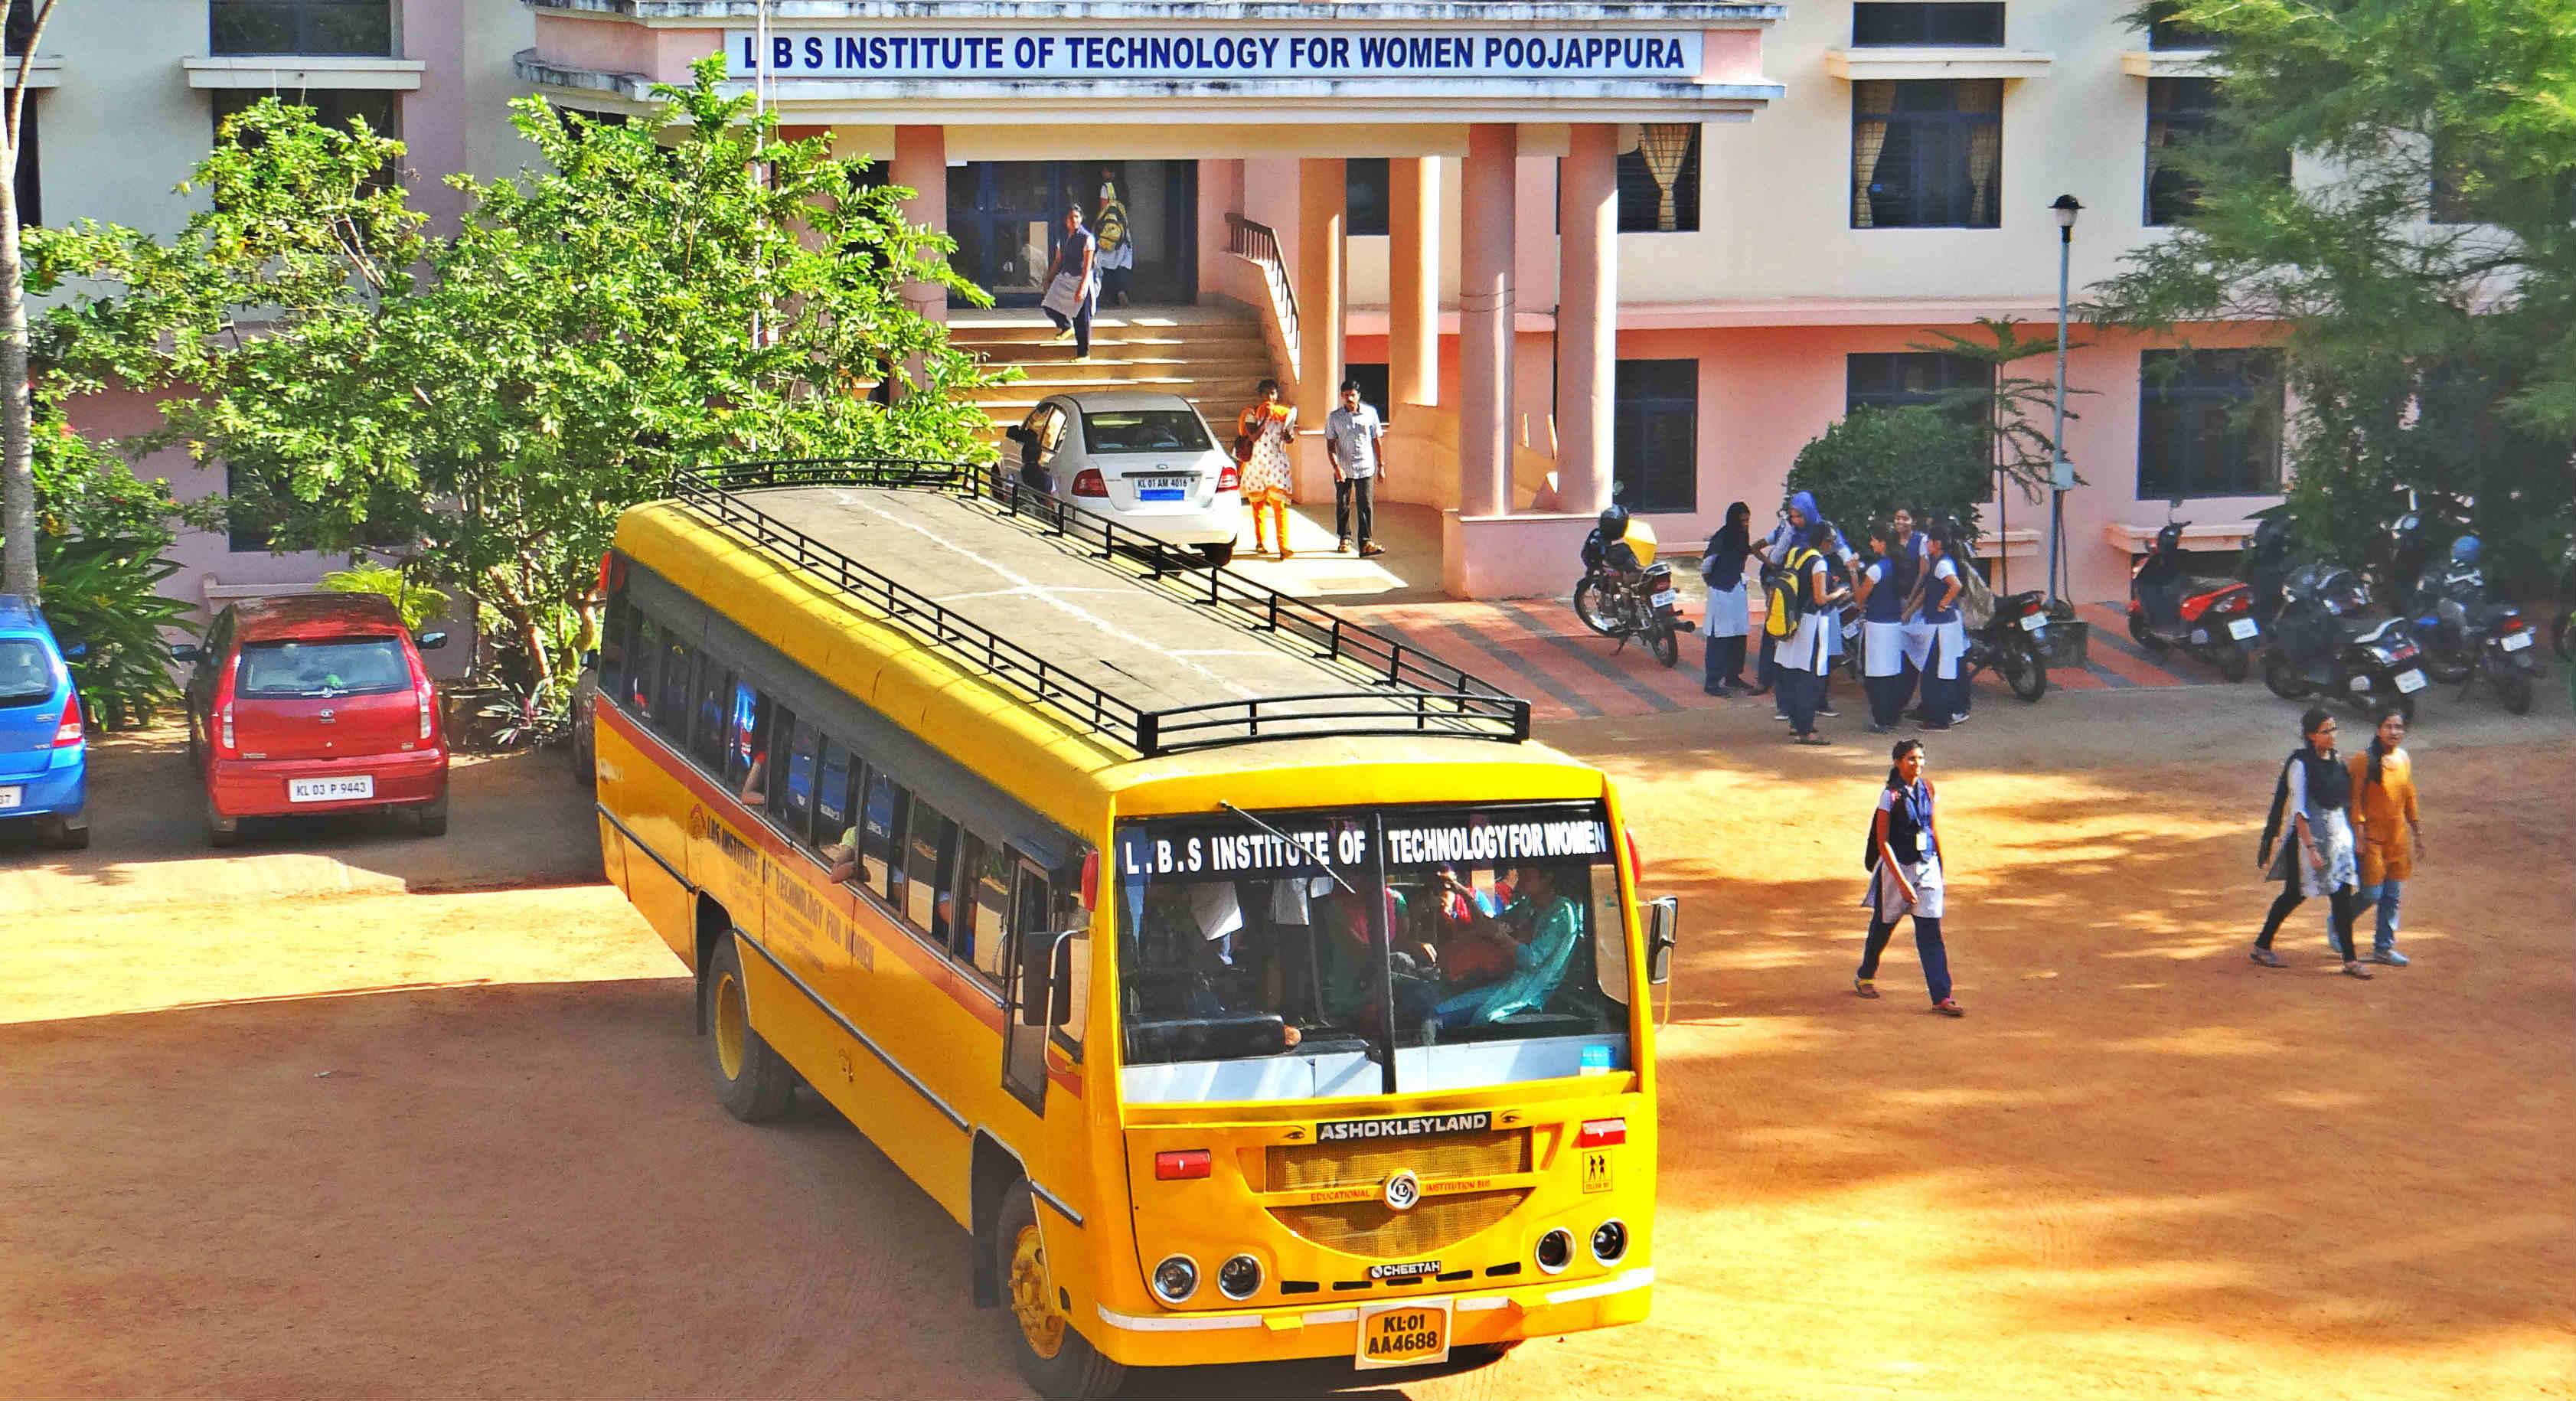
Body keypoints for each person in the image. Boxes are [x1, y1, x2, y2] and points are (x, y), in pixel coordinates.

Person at [2252, 707, 2372, 978]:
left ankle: (2350, 960)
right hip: (2309, 842)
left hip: (2337, 841)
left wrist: (2352, 838)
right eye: (2325, 731)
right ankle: (2262, 945)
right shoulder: (2300, 764)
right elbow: (2298, 809)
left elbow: (2344, 804)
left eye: (2334, 729)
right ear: (2311, 735)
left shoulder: (2338, 760)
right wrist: (2310, 848)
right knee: (2294, 894)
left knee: (2341, 896)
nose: (2332, 735)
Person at [1855, 738, 1962, 1015]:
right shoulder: (1889, 796)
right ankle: (1866, 974)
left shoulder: (1928, 788)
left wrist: (1940, 868)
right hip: (1897, 869)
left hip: (1927, 866)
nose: (1918, 764)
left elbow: (1932, 828)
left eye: (1921, 759)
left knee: (1930, 933)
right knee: (1883, 925)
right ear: (1898, 763)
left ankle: (1942, 996)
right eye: (1911, 759)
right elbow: (1883, 842)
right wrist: (1901, 883)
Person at [1428, 864, 1584, 1029]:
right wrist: (1462, 893)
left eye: (1527, 868)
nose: (1519, 873)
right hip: (1507, 984)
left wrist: (1502, 937)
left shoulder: (1561, 912)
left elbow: (1532, 960)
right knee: (1436, 1010)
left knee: (1439, 1020)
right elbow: (1487, 926)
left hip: (1528, 994)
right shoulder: (1528, 906)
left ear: (1547, 877)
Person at [2345, 707, 2422, 967]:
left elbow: (2409, 795)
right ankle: (2339, 920)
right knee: (2371, 894)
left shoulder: (2404, 759)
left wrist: (2417, 831)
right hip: (2372, 839)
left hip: (2397, 840)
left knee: (2392, 896)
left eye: (2399, 727)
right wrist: (2358, 835)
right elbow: (2354, 802)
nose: (2394, 732)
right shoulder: (2363, 761)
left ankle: (2384, 948)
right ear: (2378, 730)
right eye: (2389, 726)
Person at [1778, 518, 1845, 745]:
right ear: (1825, 542)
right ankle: (1806, 730)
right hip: (1811, 624)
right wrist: (1838, 594)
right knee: (1811, 677)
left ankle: (1796, 723)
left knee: (1793, 673)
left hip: (1791, 621)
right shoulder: (1819, 562)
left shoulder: (1797, 553)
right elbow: (1819, 598)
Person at [1853, 520, 1919, 733]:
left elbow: (1859, 599)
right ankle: (1891, 716)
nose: (1871, 543)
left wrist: (1853, 573)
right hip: (1894, 625)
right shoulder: (1898, 565)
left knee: (1876, 676)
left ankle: (1882, 720)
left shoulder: (1876, 570)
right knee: (1892, 673)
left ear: (1883, 543)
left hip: (1877, 626)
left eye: (1874, 540)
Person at [1910, 526, 1969, 730]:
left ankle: (1939, 719)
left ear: (1937, 544)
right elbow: (1929, 590)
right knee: (1935, 671)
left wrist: (1943, 603)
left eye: (1929, 542)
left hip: (1942, 627)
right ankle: (1934, 713)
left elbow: (1956, 585)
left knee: (1938, 672)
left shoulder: (1942, 565)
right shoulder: (1938, 563)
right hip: (1939, 625)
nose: (1926, 545)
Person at [1323, 379, 1388, 556]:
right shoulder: (1335, 417)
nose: (1350, 398)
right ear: (1342, 396)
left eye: (1353, 395)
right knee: (1343, 503)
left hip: (1365, 466)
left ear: (1359, 395)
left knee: (1365, 504)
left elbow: (1377, 440)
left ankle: (1366, 542)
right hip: (1343, 467)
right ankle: (1345, 539)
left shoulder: (1370, 413)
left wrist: (1381, 465)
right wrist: (1336, 467)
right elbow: (1330, 445)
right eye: (1346, 395)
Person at [1234, 380, 1298, 558]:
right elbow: (1254, 437)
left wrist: (1289, 435)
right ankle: (1260, 541)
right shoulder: (1251, 414)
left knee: (1279, 505)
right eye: (1266, 394)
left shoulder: (1284, 415)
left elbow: (1288, 439)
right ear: (1260, 395)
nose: (1270, 397)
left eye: (1273, 394)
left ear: (1277, 396)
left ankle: (1283, 546)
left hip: (1276, 464)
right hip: (1256, 464)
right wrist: (1267, 418)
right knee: (1258, 505)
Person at [1699, 501, 1755, 696]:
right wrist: (1713, 581)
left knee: (1738, 636)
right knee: (1720, 638)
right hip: (1721, 593)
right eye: (1742, 520)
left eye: (1748, 520)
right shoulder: (1722, 538)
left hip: (1737, 591)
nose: (1746, 524)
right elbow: (1707, 564)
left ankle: (1732, 676)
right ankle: (1712, 682)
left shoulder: (1742, 536)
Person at [1040, 205, 1098, 361]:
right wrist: (1048, 278)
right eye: (1071, 217)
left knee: (1081, 318)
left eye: (1077, 217)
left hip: (1082, 279)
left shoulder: (1087, 238)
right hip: (1065, 277)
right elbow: (1058, 260)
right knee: (1048, 304)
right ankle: (1066, 326)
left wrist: (1081, 289)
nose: (1074, 220)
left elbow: (1087, 267)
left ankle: (1083, 354)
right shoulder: (1063, 237)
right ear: (1066, 221)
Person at [1093, 168, 1133, 307]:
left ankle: (1107, 295)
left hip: (1108, 231)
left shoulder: (1106, 187)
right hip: (1122, 231)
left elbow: (1103, 208)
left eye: (1105, 171)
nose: (1103, 173)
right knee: (1122, 263)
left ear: (1112, 172)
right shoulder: (1123, 187)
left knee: (1104, 264)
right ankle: (1121, 292)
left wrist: (1096, 225)